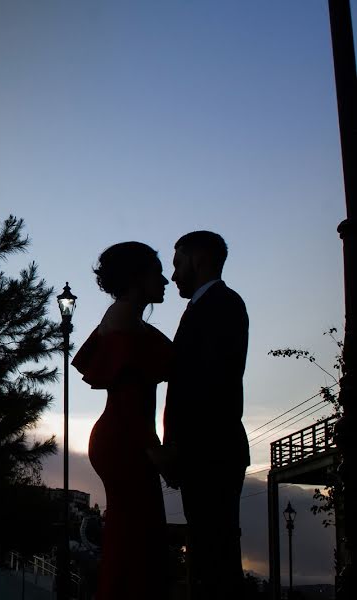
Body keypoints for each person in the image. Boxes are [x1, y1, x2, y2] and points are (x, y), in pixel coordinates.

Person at [71, 241, 172, 600]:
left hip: (121, 436)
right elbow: (129, 391)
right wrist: (153, 448)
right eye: (156, 273)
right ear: (136, 277)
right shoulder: (126, 317)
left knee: (129, 541)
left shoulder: (126, 315)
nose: (166, 281)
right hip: (126, 439)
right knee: (135, 542)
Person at [163, 231, 249, 599]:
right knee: (210, 554)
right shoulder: (207, 306)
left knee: (216, 559)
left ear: (198, 260)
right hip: (205, 454)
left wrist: (178, 449)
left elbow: (208, 386)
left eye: (178, 263)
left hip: (210, 454)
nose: (174, 275)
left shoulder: (223, 305)